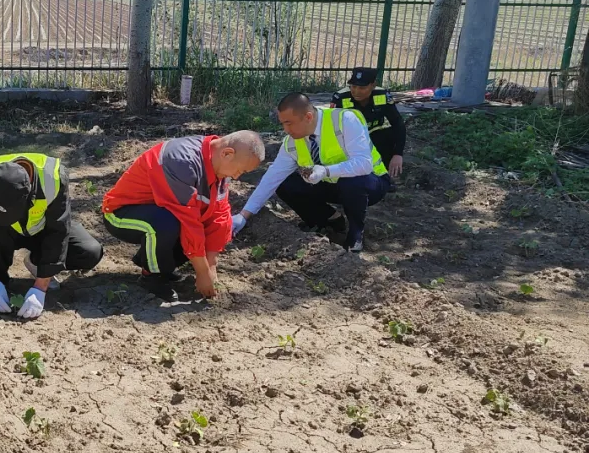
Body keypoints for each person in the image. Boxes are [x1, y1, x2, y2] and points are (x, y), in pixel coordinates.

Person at [101, 132, 265, 300]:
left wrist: (211, 267)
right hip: (121, 213)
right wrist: (202, 272)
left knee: (188, 227)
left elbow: (220, 216)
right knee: (168, 223)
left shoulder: (220, 167)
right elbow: (187, 220)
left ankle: (155, 261)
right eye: (240, 170)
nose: (237, 176)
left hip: (160, 213)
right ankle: (152, 276)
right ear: (227, 153)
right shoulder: (181, 161)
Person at [233, 93, 391, 252]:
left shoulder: (345, 121)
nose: (286, 130)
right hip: (332, 184)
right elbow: (271, 178)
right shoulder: (292, 143)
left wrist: (327, 171)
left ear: (308, 117)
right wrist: (244, 215)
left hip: (371, 183)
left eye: (289, 123)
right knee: (285, 183)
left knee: (352, 181)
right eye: (283, 124)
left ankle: (355, 235)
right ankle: (330, 221)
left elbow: (364, 164)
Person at [0, 153, 103, 319]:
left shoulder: (53, 179)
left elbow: (58, 232)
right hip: (2, 232)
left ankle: (36, 263)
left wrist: (40, 288)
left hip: (42, 229)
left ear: (29, 196)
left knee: (89, 251)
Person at [331, 67, 406, 179]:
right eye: (353, 86)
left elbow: (397, 123)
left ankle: (384, 174)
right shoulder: (340, 97)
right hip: (350, 139)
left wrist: (398, 154)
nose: (356, 91)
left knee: (389, 135)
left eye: (362, 88)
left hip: (376, 136)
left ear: (373, 85)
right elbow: (333, 127)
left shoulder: (382, 95)